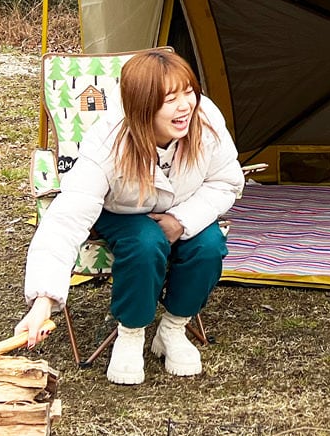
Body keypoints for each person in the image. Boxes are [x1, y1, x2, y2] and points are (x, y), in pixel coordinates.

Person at [15, 49, 245, 385]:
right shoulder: (107, 143)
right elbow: (66, 220)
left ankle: (173, 328)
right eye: (170, 99)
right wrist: (43, 301)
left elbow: (226, 181)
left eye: (189, 92)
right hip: (121, 211)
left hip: (184, 206)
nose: (185, 106)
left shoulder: (205, 118)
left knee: (208, 245)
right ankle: (131, 333)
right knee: (144, 242)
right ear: (142, 105)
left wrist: (181, 220)